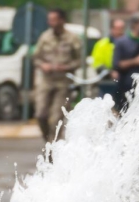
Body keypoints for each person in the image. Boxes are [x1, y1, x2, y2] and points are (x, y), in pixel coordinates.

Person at [33, 8, 82, 142]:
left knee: (56, 118)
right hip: (46, 80)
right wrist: (43, 65)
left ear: (62, 20)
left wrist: (66, 67)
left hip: (63, 82)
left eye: (54, 20)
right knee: (40, 114)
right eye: (50, 20)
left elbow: (80, 60)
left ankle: (52, 147)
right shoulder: (45, 37)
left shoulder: (72, 39)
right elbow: (36, 57)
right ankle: (48, 141)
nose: (51, 23)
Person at [92, 19, 126, 101]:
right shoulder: (102, 44)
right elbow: (97, 63)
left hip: (124, 80)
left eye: (122, 28)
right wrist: (110, 72)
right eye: (118, 28)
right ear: (112, 29)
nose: (120, 31)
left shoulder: (128, 43)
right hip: (107, 81)